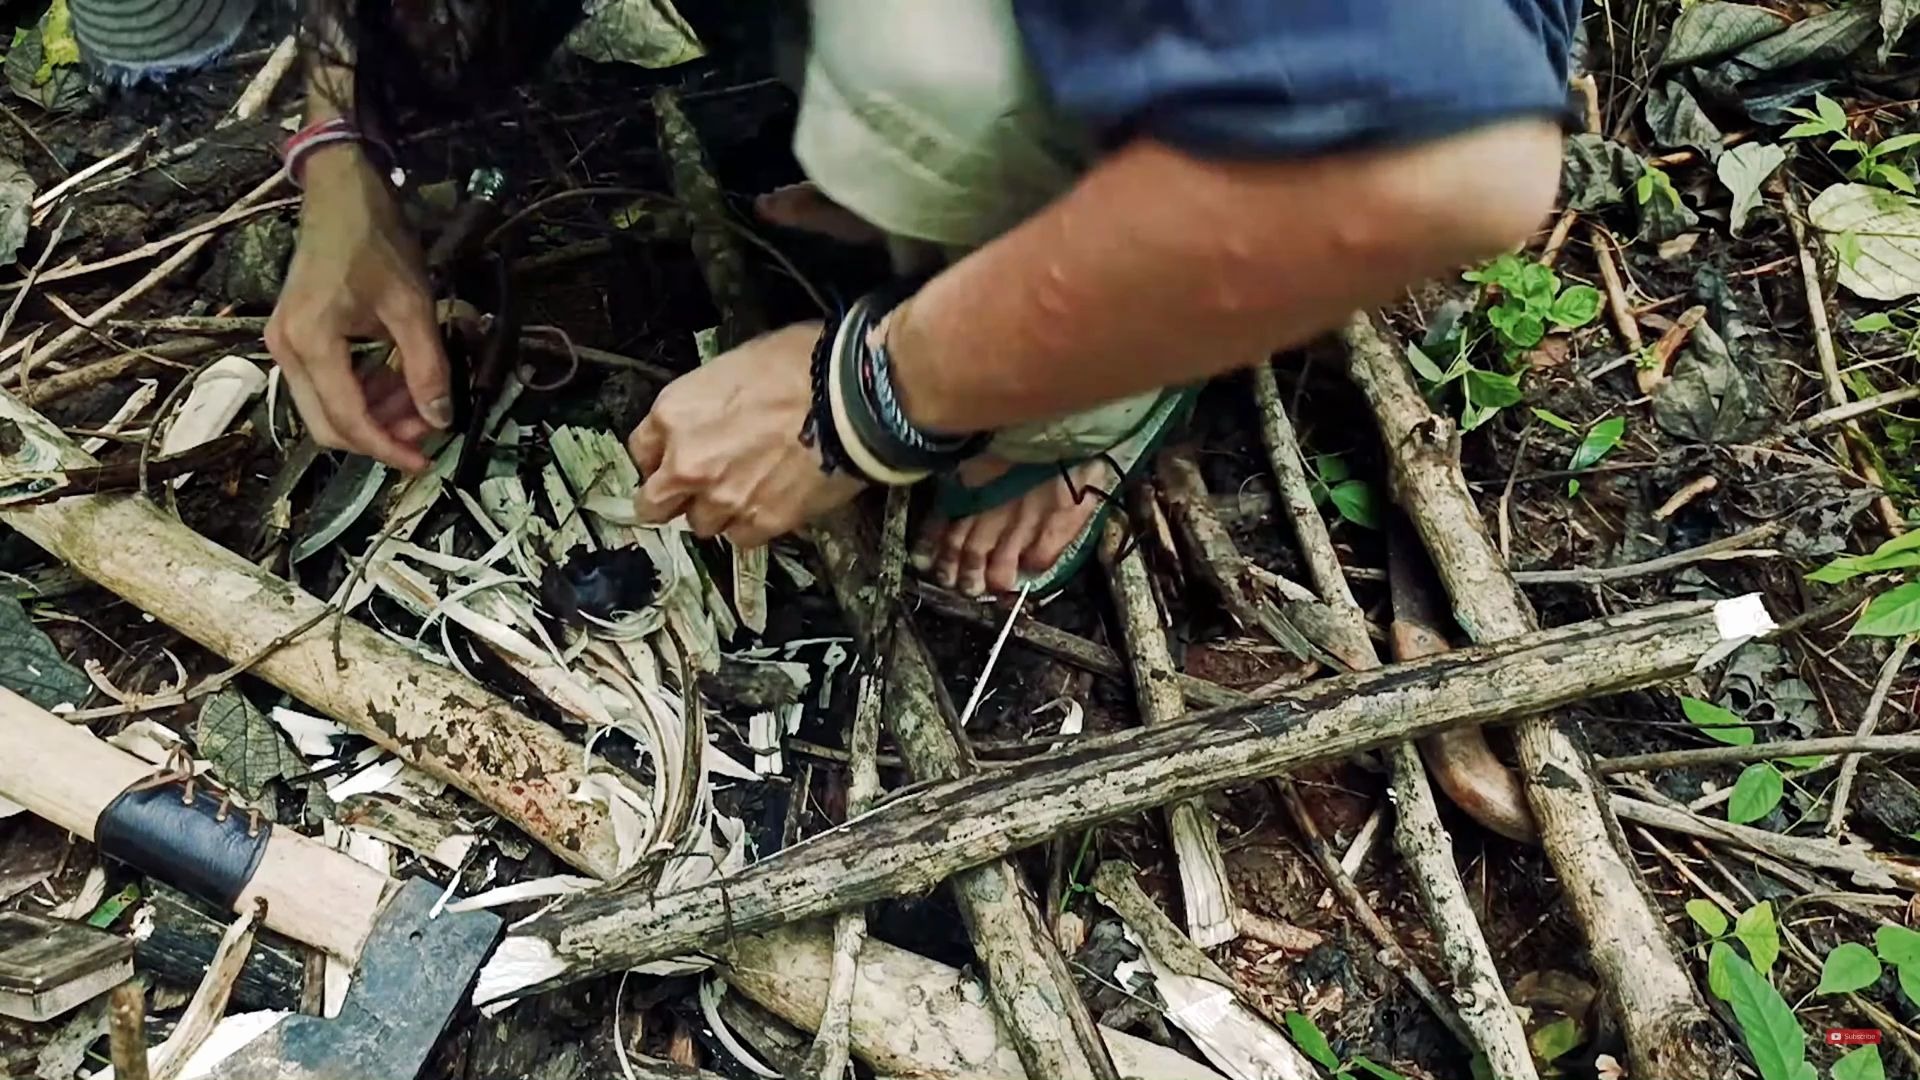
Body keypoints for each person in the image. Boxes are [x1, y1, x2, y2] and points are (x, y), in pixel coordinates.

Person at [67, 0, 1577, 598]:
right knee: (904, 91)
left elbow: (1426, 164)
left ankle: (1102, 343)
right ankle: (970, 145)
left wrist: (869, 396)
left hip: (1368, 81)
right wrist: (343, 164)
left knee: (933, 80)